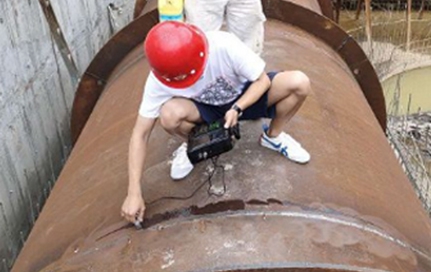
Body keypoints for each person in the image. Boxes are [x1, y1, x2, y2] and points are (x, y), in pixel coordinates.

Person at [121, 21, 311, 225]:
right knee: (168, 114)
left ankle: (273, 137)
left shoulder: (223, 45)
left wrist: (237, 108)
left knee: (299, 83)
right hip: (206, 111)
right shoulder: (159, 79)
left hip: (246, 96)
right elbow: (140, 134)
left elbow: (262, 81)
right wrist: (133, 192)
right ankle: (193, 145)